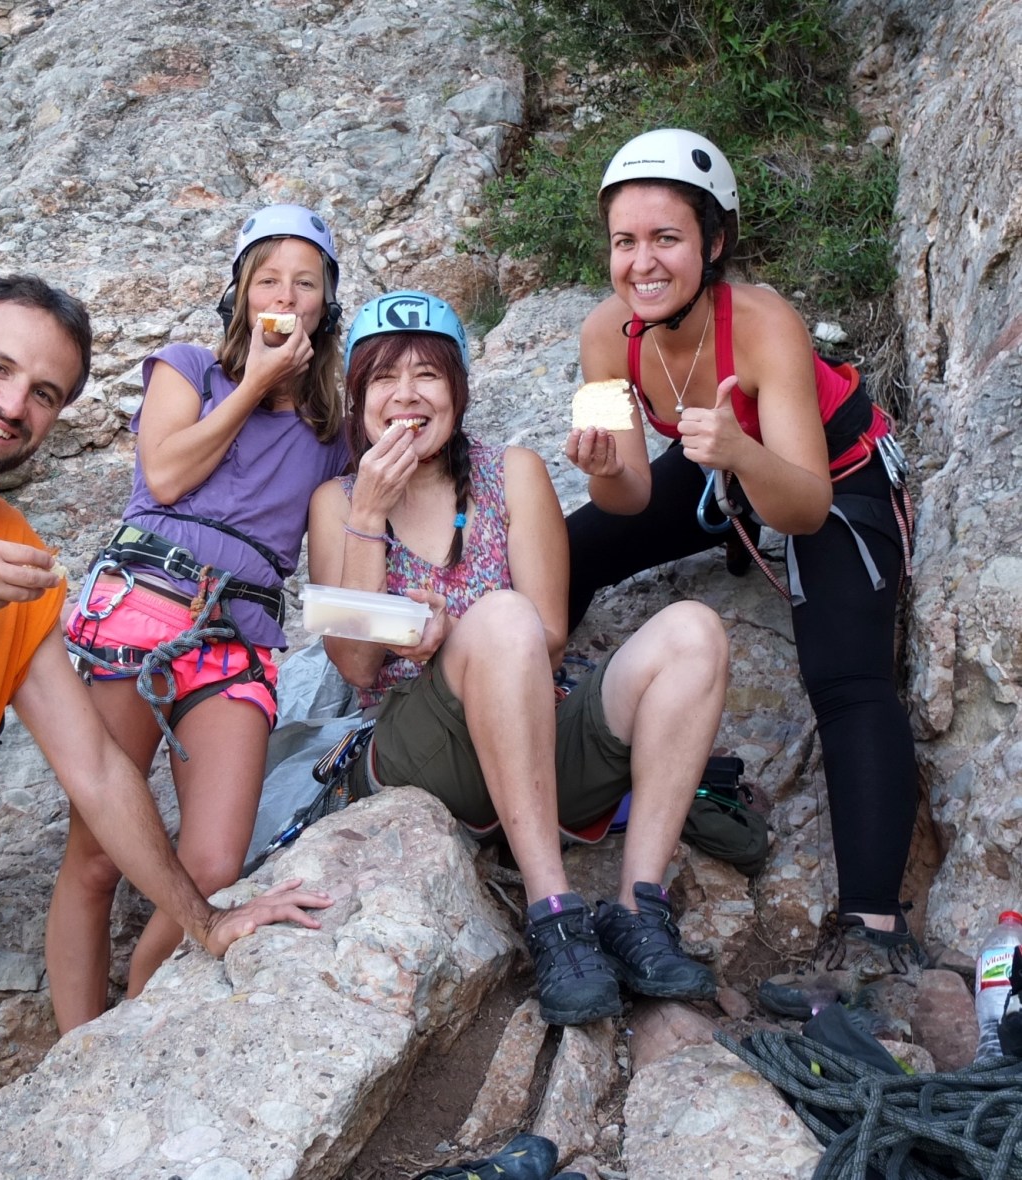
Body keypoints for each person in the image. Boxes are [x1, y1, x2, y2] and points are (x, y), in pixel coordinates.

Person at [0, 274, 330, 1028]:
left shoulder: (14, 558)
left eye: (45, 393)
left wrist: (207, 922)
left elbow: (100, 772)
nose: (13, 405)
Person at [564, 128, 924, 1016]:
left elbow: (798, 506)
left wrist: (736, 453)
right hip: (722, 456)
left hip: (825, 474)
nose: (642, 263)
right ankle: (534, 739)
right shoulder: (605, 339)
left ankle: (874, 930)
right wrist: (607, 471)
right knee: (571, 549)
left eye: (666, 239)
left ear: (713, 243)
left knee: (847, 678)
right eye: (624, 241)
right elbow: (631, 498)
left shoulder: (761, 324)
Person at [308, 290, 727, 1026]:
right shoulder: (337, 501)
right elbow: (355, 665)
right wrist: (371, 515)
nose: (406, 395)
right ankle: (554, 914)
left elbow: (552, 630)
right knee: (501, 617)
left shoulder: (514, 473)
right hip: (419, 747)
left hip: (531, 724)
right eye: (382, 378)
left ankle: (638, 910)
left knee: (694, 631)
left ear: (460, 391)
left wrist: (461, 627)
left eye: (427, 375)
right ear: (356, 398)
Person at [47, 205, 351, 1032]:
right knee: (99, 856)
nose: (284, 295)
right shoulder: (189, 369)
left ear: (325, 306)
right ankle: (73, 1053)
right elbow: (168, 474)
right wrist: (254, 382)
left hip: (239, 638)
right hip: (140, 611)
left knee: (213, 863)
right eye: (267, 279)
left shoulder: (331, 433)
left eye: (305, 282)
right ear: (242, 295)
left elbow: (353, 532)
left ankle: (134, 1026)